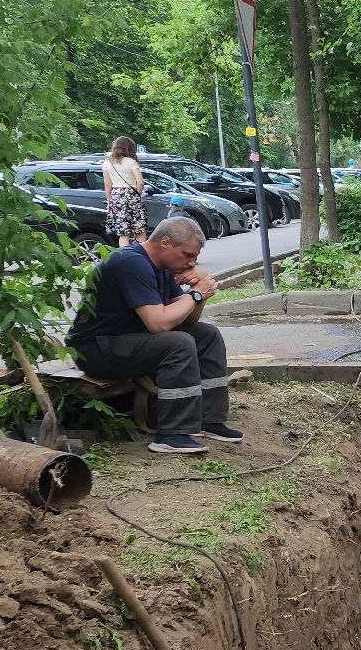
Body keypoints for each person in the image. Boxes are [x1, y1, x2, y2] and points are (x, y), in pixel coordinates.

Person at [66, 216, 241, 455]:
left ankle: (207, 420)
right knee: (178, 343)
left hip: (128, 340)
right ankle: (171, 433)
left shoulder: (162, 267)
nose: (191, 263)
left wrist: (198, 291)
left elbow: (186, 318)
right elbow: (159, 323)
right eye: (187, 255)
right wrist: (197, 295)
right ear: (166, 242)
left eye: (195, 258)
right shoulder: (131, 263)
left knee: (206, 335)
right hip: (95, 349)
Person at [101, 136, 147, 248]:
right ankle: (140, 255)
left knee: (123, 233)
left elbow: (107, 184)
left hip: (116, 196)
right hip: (131, 195)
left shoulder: (107, 163)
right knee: (139, 229)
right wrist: (138, 193)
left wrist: (109, 200)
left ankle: (126, 257)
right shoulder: (131, 162)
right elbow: (140, 183)